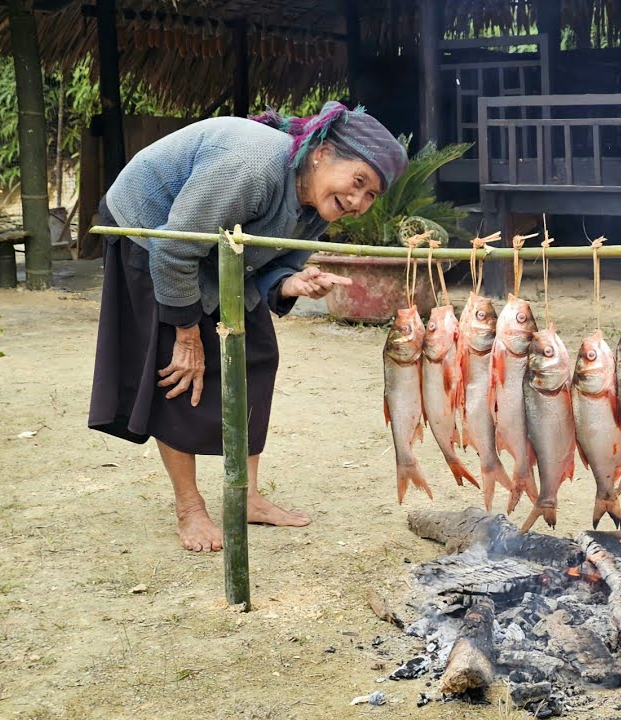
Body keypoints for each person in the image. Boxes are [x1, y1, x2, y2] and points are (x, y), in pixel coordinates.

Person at [88, 102, 408, 552]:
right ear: (321, 153)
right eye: (357, 182)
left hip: (208, 244)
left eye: (371, 195)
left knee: (257, 353)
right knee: (176, 369)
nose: (358, 202)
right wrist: (186, 332)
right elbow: (173, 249)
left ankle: (247, 497)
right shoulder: (253, 166)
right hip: (149, 231)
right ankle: (190, 507)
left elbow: (272, 265)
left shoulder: (317, 205)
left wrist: (293, 282)